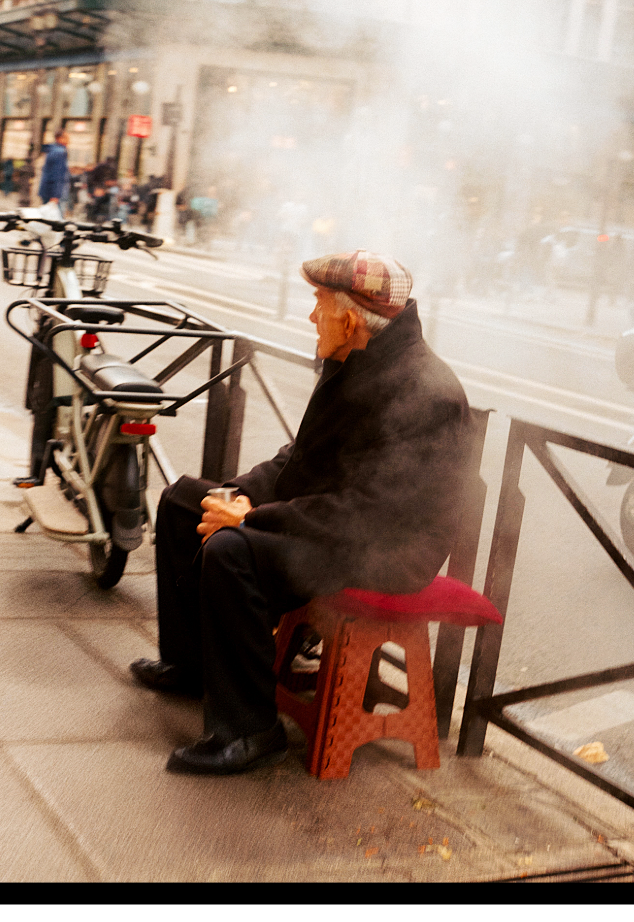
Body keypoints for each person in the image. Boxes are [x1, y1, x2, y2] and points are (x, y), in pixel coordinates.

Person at [130, 249, 474, 775]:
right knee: (184, 501)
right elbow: (300, 459)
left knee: (231, 550)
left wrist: (252, 521)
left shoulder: (424, 392)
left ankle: (250, 729)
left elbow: (372, 512)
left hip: (386, 549)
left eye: (319, 303)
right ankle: (192, 665)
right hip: (334, 521)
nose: (312, 315)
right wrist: (237, 495)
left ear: (351, 319)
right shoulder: (353, 359)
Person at [37, 131, 71, 215]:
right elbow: (58, 175)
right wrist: (56, 195)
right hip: (55, 192)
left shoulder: (51, 150)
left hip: (47, 190)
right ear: (59, 139)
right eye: (66, 138)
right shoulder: (59, 152)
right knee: (56, 217)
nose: (69, 141)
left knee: (47, 215)